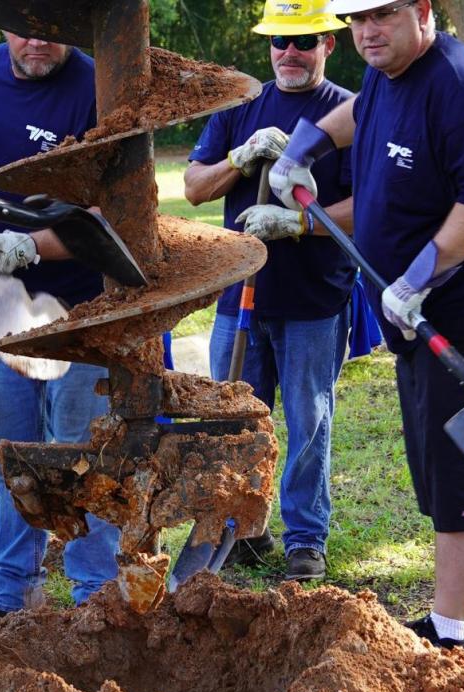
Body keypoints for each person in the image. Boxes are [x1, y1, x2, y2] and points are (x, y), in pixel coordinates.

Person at [271, 0, 464, 648]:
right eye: (356, 19)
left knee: (461, 466)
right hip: (417, 312)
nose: (367, 31)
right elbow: (363, 114)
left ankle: (449, 633)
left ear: (423, 10)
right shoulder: (387, 73)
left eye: (383, 15)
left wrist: (421, 272)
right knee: (456, 457)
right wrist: (306, 144)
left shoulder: (462, 87)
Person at [0, 33, 120, 628]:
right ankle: (13, 591)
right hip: (6, 306)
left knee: (80, 454)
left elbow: (113, 211)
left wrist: (30, 245)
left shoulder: (99, 84)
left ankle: (97, 595)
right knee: (11, 449)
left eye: (50, 20)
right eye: (24, 20)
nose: (37, 38)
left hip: (86, 308)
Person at [183, 0, 356, 583]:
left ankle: (305, 538)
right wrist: (240, 156)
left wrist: (301, 223)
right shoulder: (242, 107)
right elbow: (194, 188)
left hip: (312, 300)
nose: (290, 53)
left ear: (329, 45)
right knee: (234, 422)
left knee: (309, 423)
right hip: (239, 298)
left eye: (304, 42)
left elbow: (371, 207)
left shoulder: (348, 113)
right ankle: (239, 531)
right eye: (280, 41)